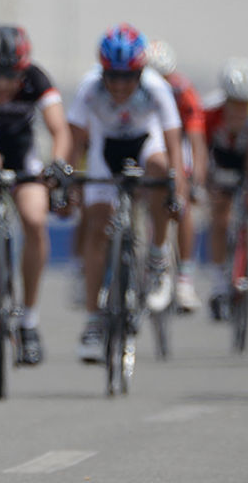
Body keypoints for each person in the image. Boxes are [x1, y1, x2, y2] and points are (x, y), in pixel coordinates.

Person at [66, 24, 186, 362]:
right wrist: (71, 180)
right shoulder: (89, 88)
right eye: (112, 77)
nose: (119, 86)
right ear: (102, 71)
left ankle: (159, 256)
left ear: (140, 73)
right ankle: (92, 321)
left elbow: (173, 139)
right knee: (97, 227)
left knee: (162, 172)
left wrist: (178, 186)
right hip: (106, 150)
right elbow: (75, 139)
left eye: (127, 78)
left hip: (146, 144)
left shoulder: (156, 88)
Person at [0, 24, 71, 365]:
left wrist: (59, 164)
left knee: (35, 220)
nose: (3, 85)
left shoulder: (36, 78)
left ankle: (29, 320)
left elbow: (59, 128)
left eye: (12, 77)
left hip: (22, 154)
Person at [145, 39, 207, 313]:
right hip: (146, 137)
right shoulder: (136, 87)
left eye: (166, 78)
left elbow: (196, 140)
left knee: (182, 205)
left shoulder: (184, 91)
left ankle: (184, 278)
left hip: (175, 140)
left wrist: (196, 181)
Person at [201, 57, 248, 319]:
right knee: (220, 217)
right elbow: (200, 153)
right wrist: (206, 183)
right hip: (221, 162)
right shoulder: (210, 113)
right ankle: (218, 283)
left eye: (245, 105)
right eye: (233, 104)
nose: (239, 111)